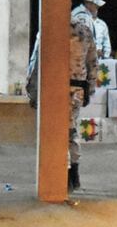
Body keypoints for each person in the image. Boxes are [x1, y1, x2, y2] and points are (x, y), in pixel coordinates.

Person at [26, 13, 98, 193]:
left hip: (54, 88)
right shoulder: (85, 31)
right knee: (71, 129)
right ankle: (74, 173)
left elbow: (36, 61)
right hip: (77, 88)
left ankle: (61, 174)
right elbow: (93, 63)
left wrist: (32, 91)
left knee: (56, 131)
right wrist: (90, 88)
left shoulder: (48, 30)